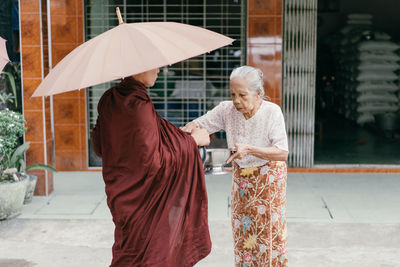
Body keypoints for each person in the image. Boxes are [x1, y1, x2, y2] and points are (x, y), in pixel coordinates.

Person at [91, 68, 212, 267]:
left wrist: (176, 136)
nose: (159, 70)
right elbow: (154, 162)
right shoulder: (139, 104)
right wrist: (192, 142)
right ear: (139, 67)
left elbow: (100, 145)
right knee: (150, 256)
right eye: (155, 65)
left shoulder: (108, 99)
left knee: (129, 251)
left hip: (121, 193)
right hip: (144, 199)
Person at [181, 65, 289, 266]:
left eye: (242, 95)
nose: (236, 101)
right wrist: (187, 129)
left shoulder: (272, 112)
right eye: (233, 94)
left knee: (268, 235)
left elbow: (282, 153)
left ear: (258, 94)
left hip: (269, 182)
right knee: (244, 234)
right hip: (243, 183)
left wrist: (249, 149)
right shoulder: (227, 110)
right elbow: (200, 124)